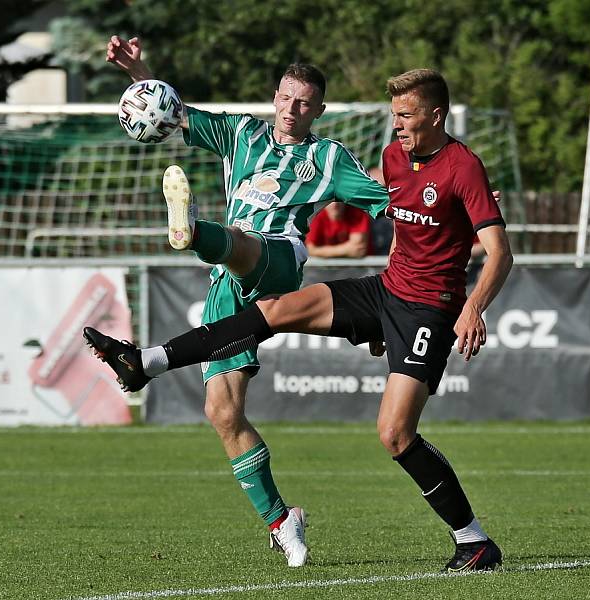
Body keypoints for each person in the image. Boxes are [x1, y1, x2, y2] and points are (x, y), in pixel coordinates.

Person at [85, 68, 513, 572]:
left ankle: (474, 541)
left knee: (394, 434)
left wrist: (472, 301)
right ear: (274, 97)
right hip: (376, 292)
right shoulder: (388, 154)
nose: (396, 124)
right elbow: (402, 216)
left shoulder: (447, 166)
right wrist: (141, 76)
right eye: (394, 114)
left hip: (393, 295)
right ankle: (146, 361)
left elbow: (486, 247)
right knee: (252, 349)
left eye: (405, 115)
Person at [88, 35, 392, 568]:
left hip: (279, 261)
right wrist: (140, 73)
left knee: (240, 241)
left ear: (318, 110)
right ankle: (282, 521)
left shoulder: (329, 157)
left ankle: (193, 233)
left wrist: (459, 206)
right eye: (285, 98)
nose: (292, 110)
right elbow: (171, 113)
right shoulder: (241, 133)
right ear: (274, 97)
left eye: (304, 103)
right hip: (229, 281)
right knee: (222, 412)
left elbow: (389, 202)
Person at [305, 201, 371, 257]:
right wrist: (345, 250)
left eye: (338, 200)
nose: (335, 204)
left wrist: (320, 251)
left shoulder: (357, 213)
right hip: (322, 269)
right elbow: (310, 249)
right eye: (330, 201)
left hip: (360, 268)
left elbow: (358, 249)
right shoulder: (315, 215)